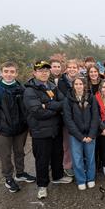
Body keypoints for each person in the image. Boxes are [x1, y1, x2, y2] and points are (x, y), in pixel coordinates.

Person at [0, 61, 35, 193]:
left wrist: (27, 126)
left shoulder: (22, 89)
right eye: (6, 71)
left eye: (12, 72)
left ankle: (20, 173)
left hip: (20, 129)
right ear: (2, 73)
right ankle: (8, 178)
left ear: (16, 73)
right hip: (2, 131)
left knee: (20, 152)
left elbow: (26, 109)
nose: (9, 74)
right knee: (5, 156)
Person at [23, 60, 72, 199]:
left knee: (57, 155)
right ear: (34, 73)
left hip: (55, 129)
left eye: (46, 70)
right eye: (41, 71)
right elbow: (37, 112)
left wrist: (47, 105)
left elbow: (63, 103)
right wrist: (54, 109)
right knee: (42, 160)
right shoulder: (29, 90)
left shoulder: (52, 86)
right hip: (40, 131)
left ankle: (57, 176)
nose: (44, 73)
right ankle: (42, 186)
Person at [63, 77, 100, 190]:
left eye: (81, 84)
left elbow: (95, 117)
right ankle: (81, 180)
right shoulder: (68, 100)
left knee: (90, 158)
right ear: (73, 86)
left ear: (84, 85)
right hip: (76, 135)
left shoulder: (91, 98)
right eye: (76, 84)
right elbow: (68, 120)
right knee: (77, 158)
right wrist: (80, 136)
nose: (79, 86)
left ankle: (91, 178)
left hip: (90, 134)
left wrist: (91, 134)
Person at [58, 59, 81, 178]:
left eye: (74, 67)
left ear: (78, 69)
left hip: (80, 116)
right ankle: (67, 165)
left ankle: (78, 163)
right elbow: (63, 100)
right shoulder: (61, 82)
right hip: (67, 117)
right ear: (66, 69)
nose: (72, 69)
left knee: (78, 142)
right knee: (67, 143)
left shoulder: (81, 80)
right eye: (70, 67)